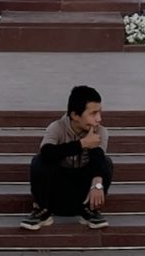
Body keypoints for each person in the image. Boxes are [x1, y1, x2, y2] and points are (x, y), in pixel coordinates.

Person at [20, 84, 112, 230]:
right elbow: (47, 153)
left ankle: (90, 211)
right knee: (39, 161)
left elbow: (98, 161)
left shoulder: (101, 131)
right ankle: (42, 211)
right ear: (75, 115)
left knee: (106, 163)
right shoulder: (56, 127)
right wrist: (82, 144)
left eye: (100, 113)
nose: (99, 119)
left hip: (82, 196)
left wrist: (98, 185)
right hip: (56, 194)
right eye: (93, 114)